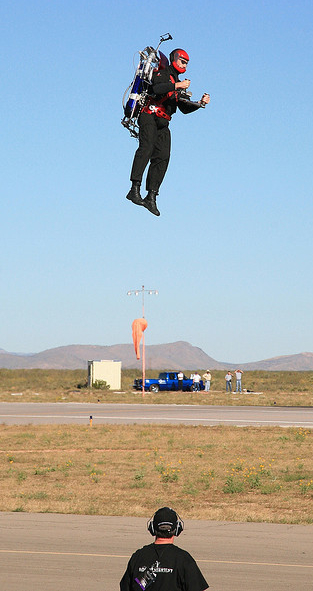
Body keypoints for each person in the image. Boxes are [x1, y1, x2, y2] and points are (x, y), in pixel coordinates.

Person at [126, 48, 210, 216]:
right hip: (149, 115)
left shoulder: (177, 81)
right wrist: (176, 85)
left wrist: (200, 104)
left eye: (186, 63)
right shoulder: (163, 73)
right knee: (147, 148)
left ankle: (151, 196)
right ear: (174, 59)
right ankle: (134, 189)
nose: (184, 65)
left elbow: (183, 108)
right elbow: (157, 89)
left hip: (164, 123)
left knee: (163, 157)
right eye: (182, 61)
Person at [120, 506, 209, 591]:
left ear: (152, 528)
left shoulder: (138, 557)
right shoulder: (184, 559)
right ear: (177, 528)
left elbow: (125, 586)